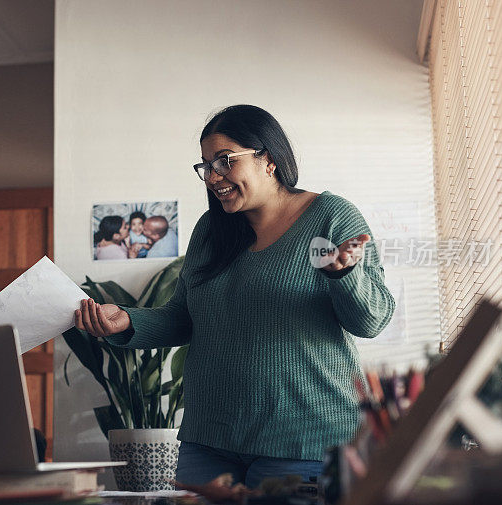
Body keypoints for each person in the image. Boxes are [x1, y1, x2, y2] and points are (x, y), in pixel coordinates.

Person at [75, 105, 395, 488]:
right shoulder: (212, 230)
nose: (213, 176)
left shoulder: (331, 216)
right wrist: (127, 321)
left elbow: (372, 320)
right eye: (206, 166)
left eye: (225, 161)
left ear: (269, 160)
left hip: (304, 439)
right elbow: (184, 316)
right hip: (209, 440)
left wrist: (345, 276)